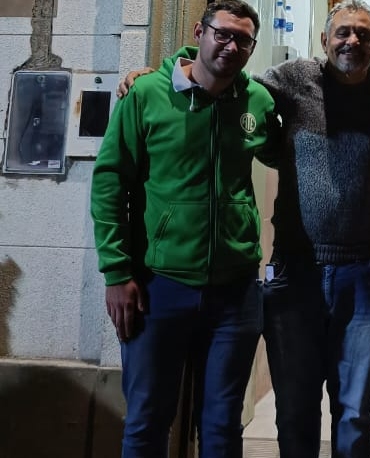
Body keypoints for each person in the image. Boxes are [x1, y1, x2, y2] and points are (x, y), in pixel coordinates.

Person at [90, 1, 278, 457]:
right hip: (158, 288)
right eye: (222, 33)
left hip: (234, 292)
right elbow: (110, 182)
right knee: (147, 421)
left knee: (222, 425)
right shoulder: (146, 94)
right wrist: (116, 272)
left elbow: (287, 152)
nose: (230, 45)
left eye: (243, 39)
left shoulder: (258, 100)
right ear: (199, 31)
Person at [255, 1, 370, 457]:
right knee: (294, 409)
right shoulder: (292, 79)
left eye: (364, 34)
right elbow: (231, 81)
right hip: (295, 270)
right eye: (343, 32)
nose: (352, 41)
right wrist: (169, 70)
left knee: (355, 410)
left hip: (364, 274)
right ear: (324, 40)